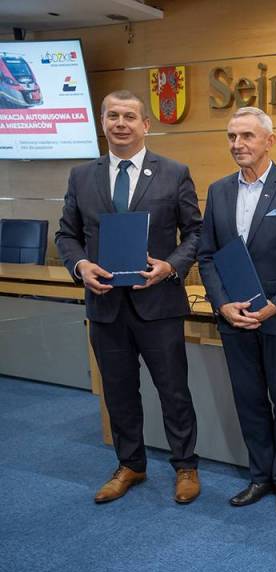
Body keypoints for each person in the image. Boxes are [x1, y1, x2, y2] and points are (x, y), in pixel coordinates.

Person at [55, 89, 202, 504]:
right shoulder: (81, 176)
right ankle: (131, 464)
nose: (121, 123)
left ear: (145, 125)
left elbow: (196, 233)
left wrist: (170, 266)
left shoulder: (174, 172)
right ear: (102, 122)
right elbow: (66, 235)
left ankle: (185, 465)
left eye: (129, 116)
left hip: (159, 305)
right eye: (113, 116)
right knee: (118, 392)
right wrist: (81, 266)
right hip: (105, 306)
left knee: (174, 391)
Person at [197, 107, 276, 518]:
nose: (238, 144)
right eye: (232, 136)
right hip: (234, 319)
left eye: (247, 136)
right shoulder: (218, 191)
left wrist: (274, 305)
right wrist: (221, 304)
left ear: (270, 140)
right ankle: (260, 476)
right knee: (249, 401)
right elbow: (207, 255)